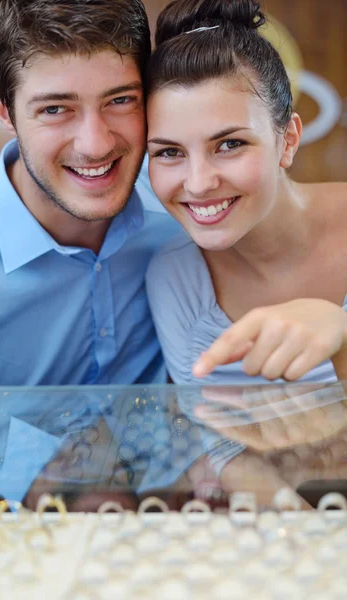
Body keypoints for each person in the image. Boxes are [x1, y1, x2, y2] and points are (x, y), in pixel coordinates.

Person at [0, 0, 180, 387]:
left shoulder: (185, 216)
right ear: (4, 110)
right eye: (56, 109)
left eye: (120, 100)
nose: (95, 145)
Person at [145, 0, 347, 387]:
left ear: (287, 140)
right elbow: (215, 443)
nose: (199, 183)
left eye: (230, 144)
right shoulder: (175, 278)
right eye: (169, 152)